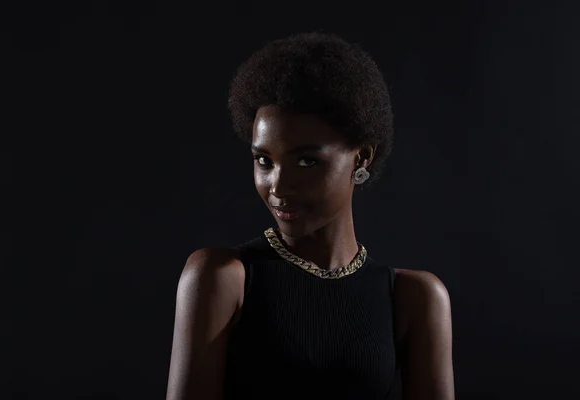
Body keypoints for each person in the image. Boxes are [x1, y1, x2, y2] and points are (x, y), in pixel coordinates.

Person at [166, 32, 454, 400]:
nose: (279, 186)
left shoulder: (414, 298)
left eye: (307, 161)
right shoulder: (221, 279)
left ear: (361, 158)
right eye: (264, 161)